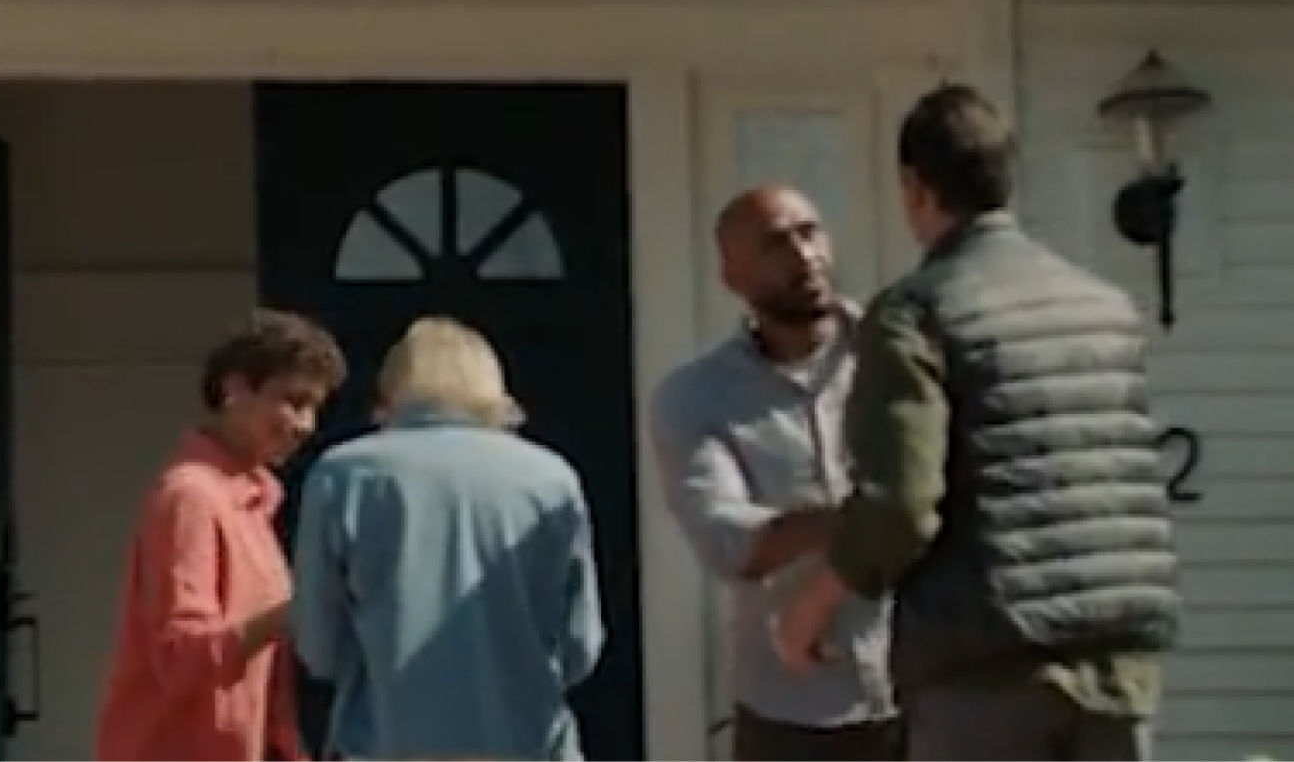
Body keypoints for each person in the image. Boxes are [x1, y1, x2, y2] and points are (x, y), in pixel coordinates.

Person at [775, 84, 1179, 761]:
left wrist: (812, 606)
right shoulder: (1104, 308)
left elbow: (900, 506)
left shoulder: (918, 313)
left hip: (988, 666)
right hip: (1119, 661)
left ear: (915, 188)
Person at [649, 185, 897, 761]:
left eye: (810, 233)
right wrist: (866, 517)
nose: (803, 256)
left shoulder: (896, 359)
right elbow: (729, 542)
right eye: (774, 244)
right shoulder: (696, 397)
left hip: (920, 688)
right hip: (791, 710)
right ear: (731, 275)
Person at [292, 314, 605, 760]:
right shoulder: (551, 479)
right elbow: (580, 647)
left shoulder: (345, 475)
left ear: (393, 389)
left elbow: (318, 648)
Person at [95, 307, 347, 762]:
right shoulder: (191, 498)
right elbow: (180, 656)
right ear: (233, 389)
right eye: (291, 401)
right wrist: (290, 614)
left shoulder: (251, 502)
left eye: (314, 408)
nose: (305, 425)